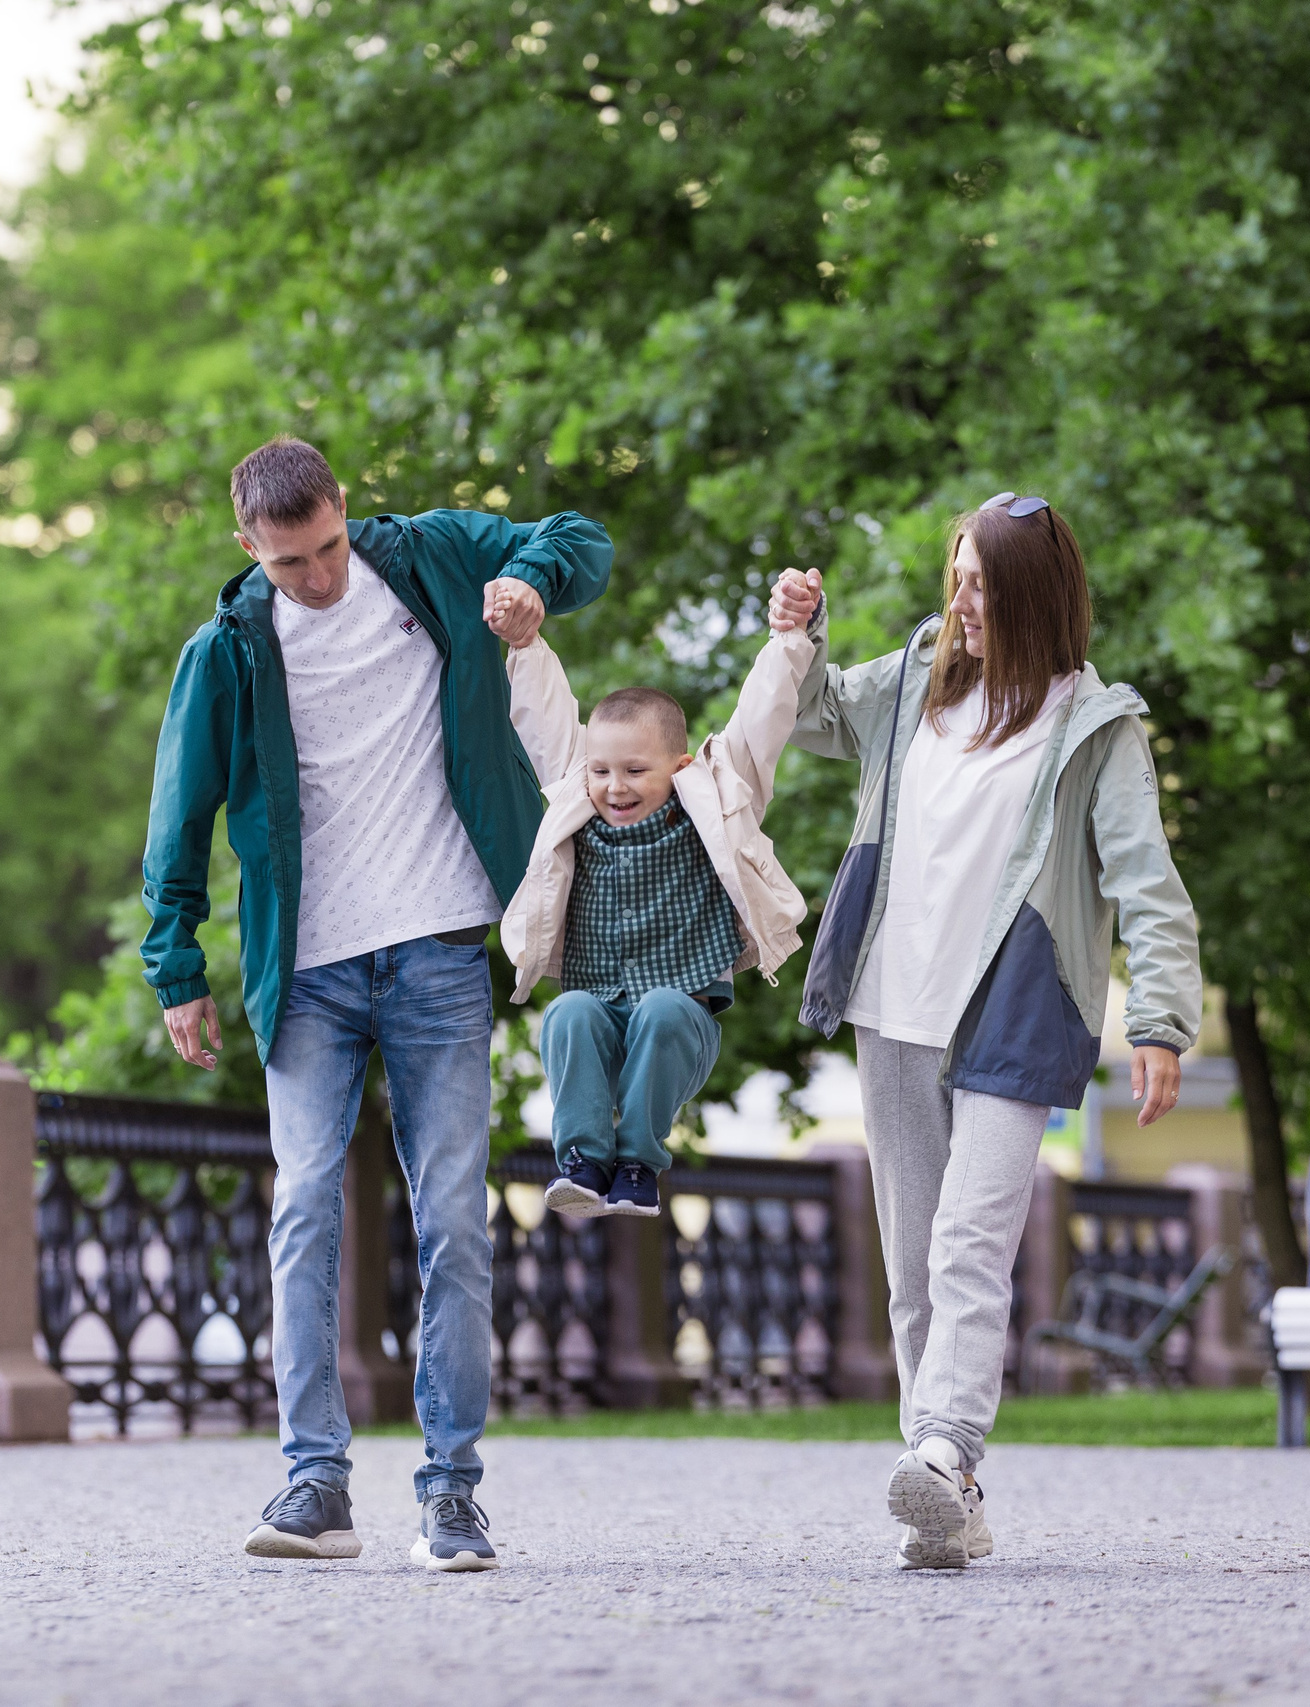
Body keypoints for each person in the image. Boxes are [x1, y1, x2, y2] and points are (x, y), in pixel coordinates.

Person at [141, 436, 612, 1572]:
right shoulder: (228, 651)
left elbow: (583, 540)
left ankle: (451, 1493)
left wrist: (529, 581)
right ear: (247, 545)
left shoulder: (432, 558)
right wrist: (177, 969)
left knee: (452, 1220)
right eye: (289, 560)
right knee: (304, 1207)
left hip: (439, 949)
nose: (317, 576)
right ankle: (315, 1483)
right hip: (306, 972)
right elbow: (178, 815)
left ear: (345, 509)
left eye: (328, 546)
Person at [781, 493, 1202, 1570]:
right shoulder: (915, 680)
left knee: (970, 1244)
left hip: (1016, 1010)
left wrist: (1159, 1020)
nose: (962, 601)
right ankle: (948, 1492)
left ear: (1035, 596)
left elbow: (1148, 885)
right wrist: (802, 633)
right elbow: (814, 713)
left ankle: (943, 1448)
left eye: (983, 584)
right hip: (892, 1007)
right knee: (913, 1268)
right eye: (957, 578)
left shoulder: (1093, 727)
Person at [489, 576, 819, 1219]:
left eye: (636, 771)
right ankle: (584, 1163)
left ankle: (638, 1163)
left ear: (680, 767)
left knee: (664, 1008)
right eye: (602, 770)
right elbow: (546, 721)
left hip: (678, 1025)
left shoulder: (715, 799)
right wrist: (525, 645)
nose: (615, 787)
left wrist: (789, 638)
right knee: (567, 1012)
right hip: (601, 1017)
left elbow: (761, 721)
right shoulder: (578, 800)